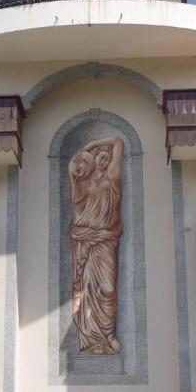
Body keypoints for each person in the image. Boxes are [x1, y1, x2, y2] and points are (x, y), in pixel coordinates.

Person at [68, 136, 124, 354]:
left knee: (108, 289)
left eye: (106, 158)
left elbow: (118, 142)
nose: (102, 160)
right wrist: (73, 177)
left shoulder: (113, 177)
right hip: (82, 238)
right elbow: (75, 199)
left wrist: (89, 145)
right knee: (85, 288)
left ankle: (108, 334)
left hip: (105, 239)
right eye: (99, 157)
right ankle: (91, 340)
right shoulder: (86, 182)